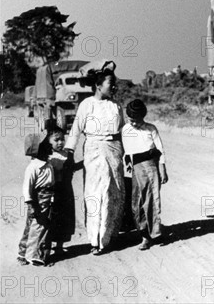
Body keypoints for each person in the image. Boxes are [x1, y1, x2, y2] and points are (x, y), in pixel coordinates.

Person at [65, 62, 125, 255]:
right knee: (95, 193)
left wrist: (129, 153)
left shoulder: (116, 106)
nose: (114, 87)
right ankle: (95, 239)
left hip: (114, 150)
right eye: (110, 83)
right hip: (93, 150)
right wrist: (67, 153)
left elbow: (123, 131)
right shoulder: (86, 105)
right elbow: (75, 131)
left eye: (114, 83)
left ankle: (109, 237)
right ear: (98, 85)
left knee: (114, 192)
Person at [122, 99, 168, 250]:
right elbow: (125, 152)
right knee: (137, 203)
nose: (133, 123)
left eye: (136, 120)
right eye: (130, 120)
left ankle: (152, 234)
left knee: (151, 201)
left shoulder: (151, 129)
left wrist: (162, 169)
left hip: (150, 168)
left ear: (143, 116)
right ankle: (143, 233)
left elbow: (160, 150)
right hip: (134, 170)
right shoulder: (125, 130)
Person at [18, 133, 55, 266]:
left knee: (39, 226)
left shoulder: (47, 163)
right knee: (36, 227)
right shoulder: (33, 167)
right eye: (46, 144)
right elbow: (27, 187)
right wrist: (31, 204)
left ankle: (30, 254)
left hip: (48, 197)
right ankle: (29, 255)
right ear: (39, 150)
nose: (50, 145)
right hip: (38, 200)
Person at [45, 126, 80, 255]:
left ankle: (59, 247)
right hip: (52, 192)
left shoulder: (68, 155)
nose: (60, 142)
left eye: (62, 139)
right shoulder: (47, 156)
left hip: (66, 193)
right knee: (50, 219)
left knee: (65, 219)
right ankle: (47, 248)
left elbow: (73, 168)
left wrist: (86, 162)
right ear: (49, 141)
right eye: (56, 140)